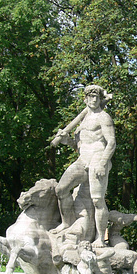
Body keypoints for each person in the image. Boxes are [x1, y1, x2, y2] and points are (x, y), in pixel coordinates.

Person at [52, 85, 116, 247]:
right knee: (61, 189)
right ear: (85, 99)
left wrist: (103, 163)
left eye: (97, 97)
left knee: (97, 201)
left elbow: (112, 143)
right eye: (91, 97)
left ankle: (100, 238)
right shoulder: (83, 118)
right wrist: (67, 141)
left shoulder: (104, 117)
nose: (94, 100)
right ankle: (67, 223)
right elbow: (79, 145)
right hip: (83, 159)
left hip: (98, 158)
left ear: (100, 99)